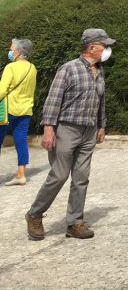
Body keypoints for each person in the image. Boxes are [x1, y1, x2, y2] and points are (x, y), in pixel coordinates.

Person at [26, 28, 115, 241]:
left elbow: (100, 101)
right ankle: (35, 214)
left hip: (89, 130)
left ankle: (75, 223)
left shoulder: (99, 71)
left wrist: (101, 126)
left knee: (81, 178)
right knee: (59, 175)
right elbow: (53, 100)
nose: (106, 49)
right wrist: (49, 130)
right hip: (67, 129)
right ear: (92, 47)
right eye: (104, 45)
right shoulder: (68, 69)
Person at [1, 39, 37, 186]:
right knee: (21, 141)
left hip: (8, 110)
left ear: (18, 52)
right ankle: (21, 174)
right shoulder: (32, 68)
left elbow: (2, 90)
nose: (10, 51)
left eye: (12, 48)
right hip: (25, 109)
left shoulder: (11, 68)